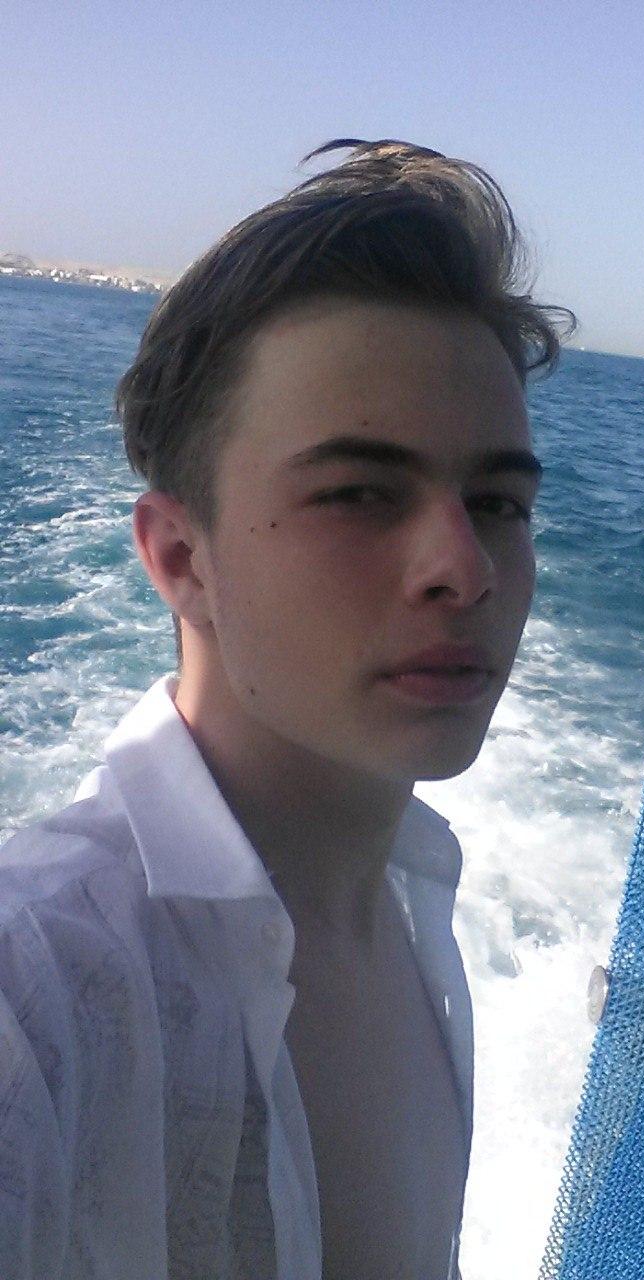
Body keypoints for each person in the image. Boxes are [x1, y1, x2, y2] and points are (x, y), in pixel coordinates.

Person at [0, 138, 575, 1279]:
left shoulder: (414, 903)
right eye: (359, 492)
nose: (465, 569)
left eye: (499, 503)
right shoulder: (42, 992)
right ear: (180, 558)